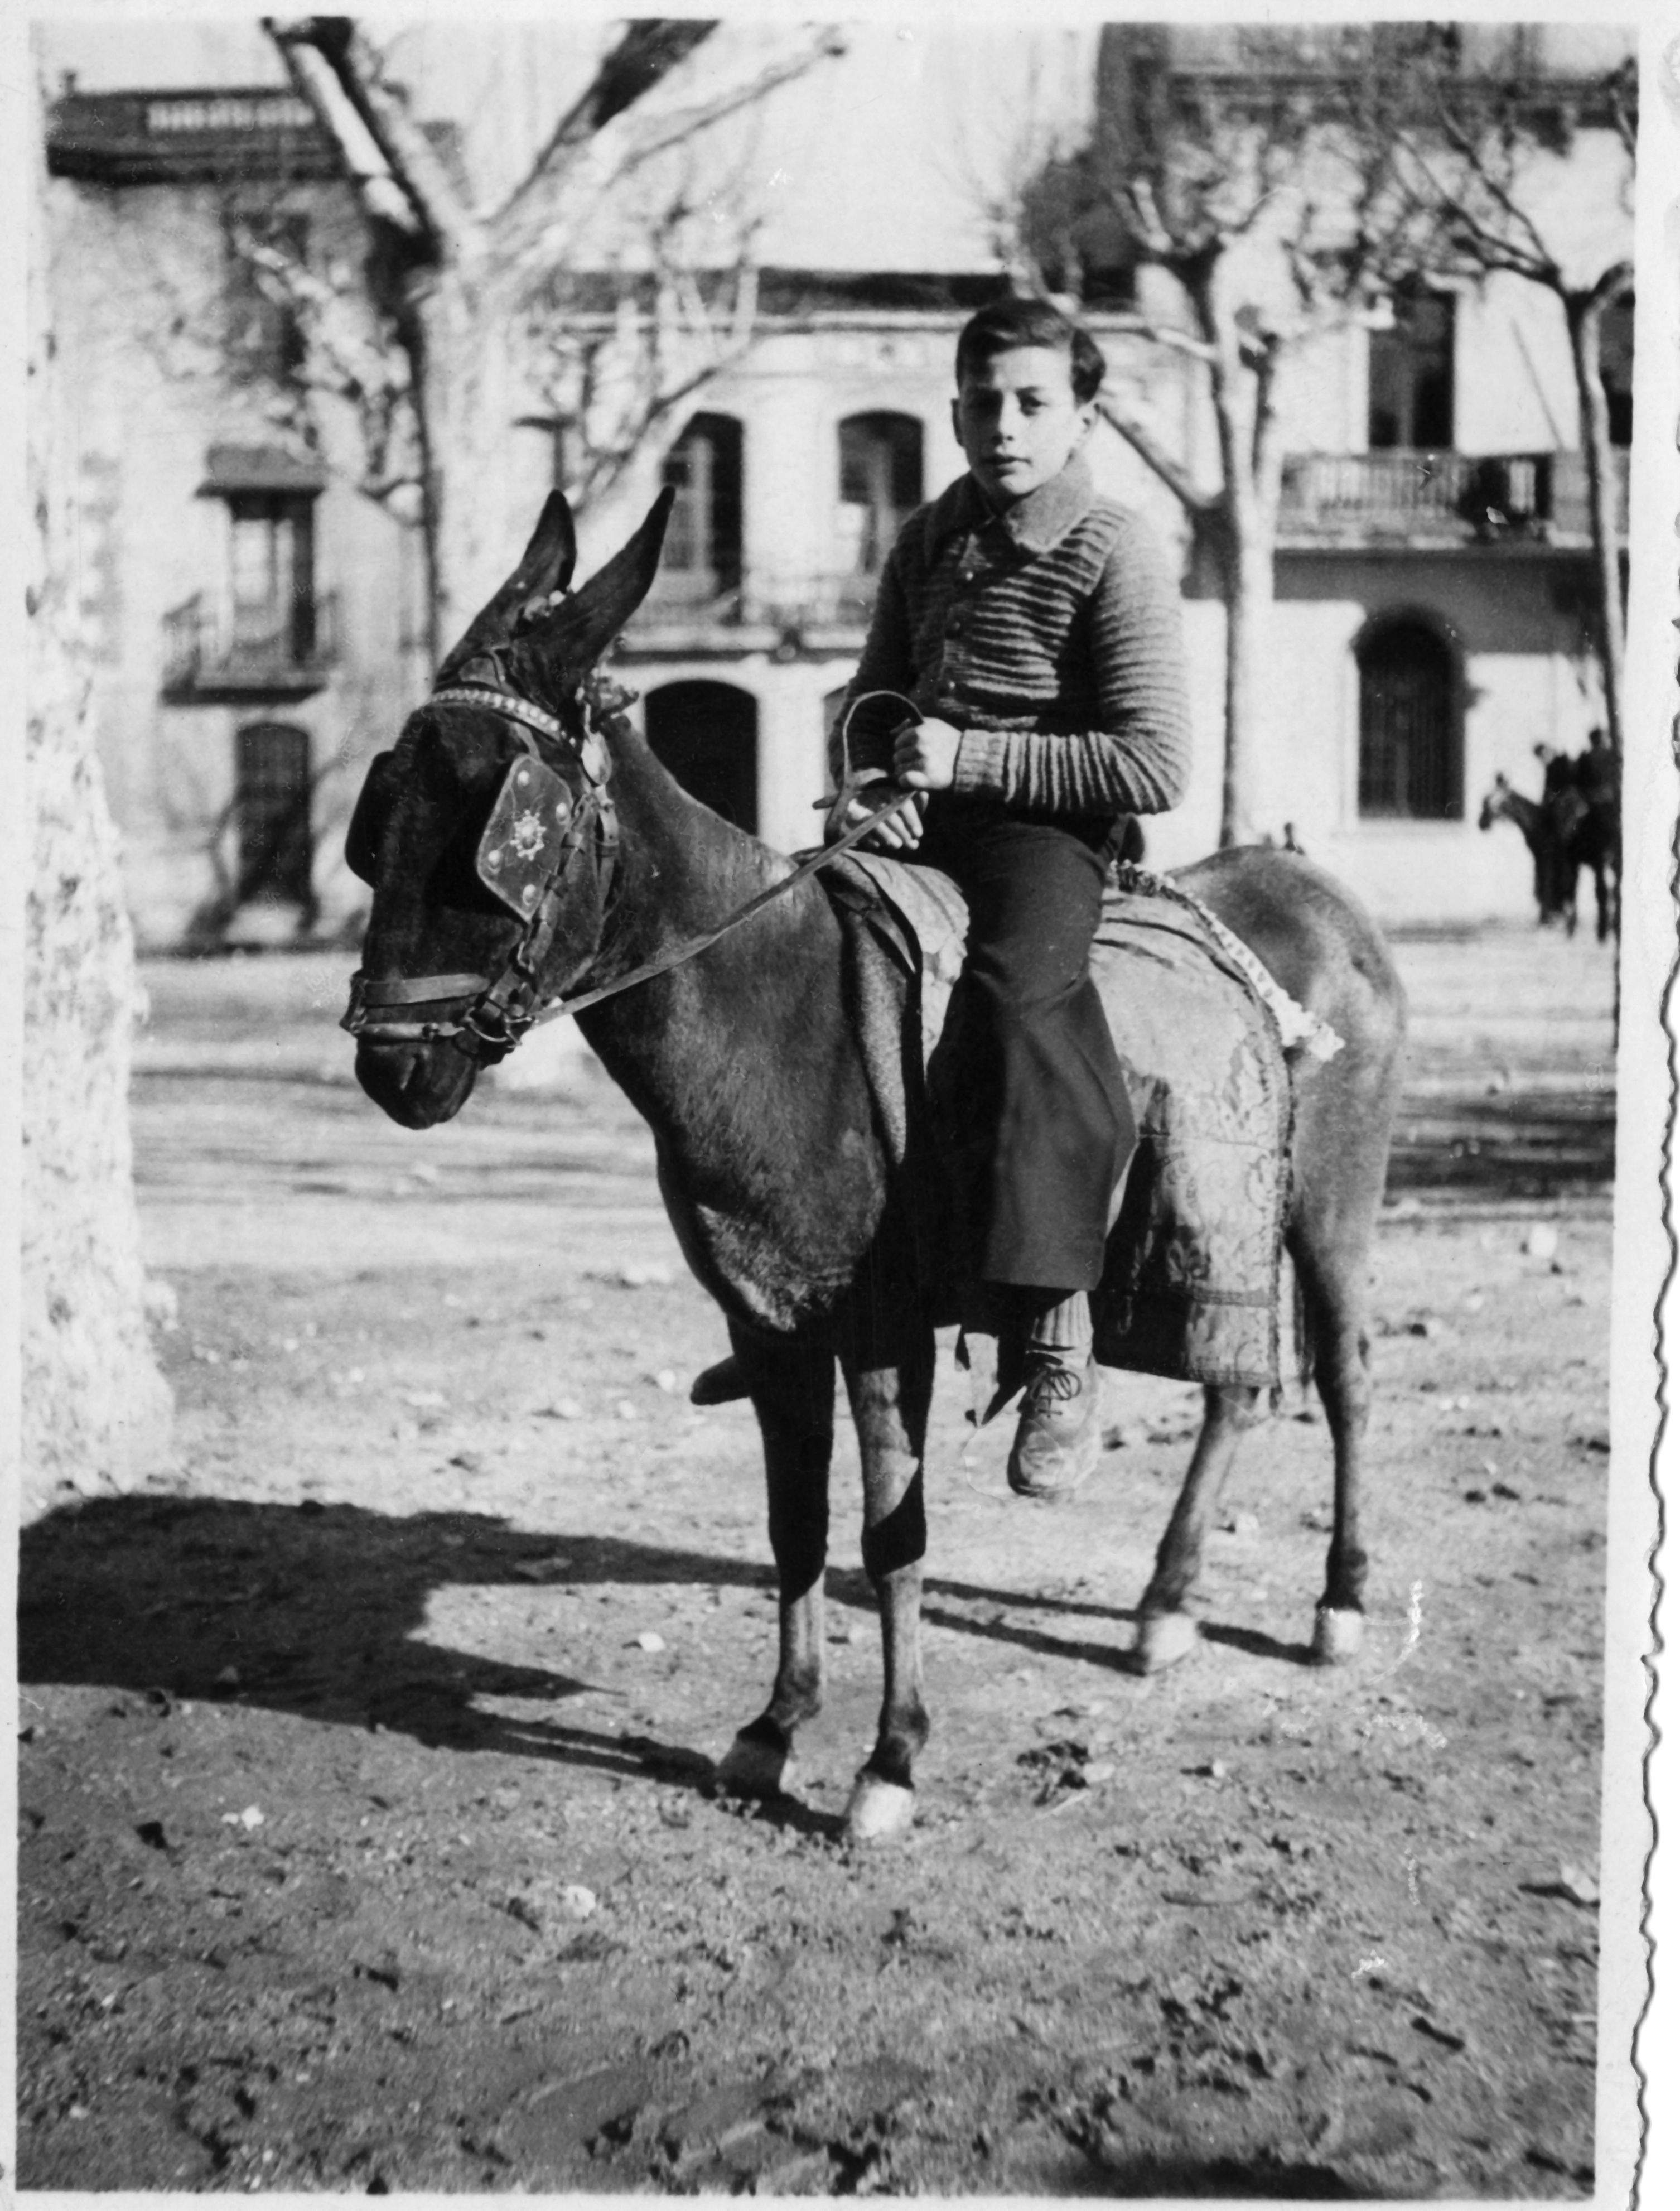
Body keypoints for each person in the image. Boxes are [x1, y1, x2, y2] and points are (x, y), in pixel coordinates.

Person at [828, 297, 1190, 1499]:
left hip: (1047, 831)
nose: (1004, 424)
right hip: (922, 820)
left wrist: (973, 761)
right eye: (983, 402)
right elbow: (875, 714)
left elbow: (1155, 764)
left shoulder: (1116, 543)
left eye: (1033, 402)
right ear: (953, 409)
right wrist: (870, 795)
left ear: (1083, 413)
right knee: (792, 968)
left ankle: (1055, 1329)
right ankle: (811, 1299)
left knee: (1019, 997)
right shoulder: (925, 541)